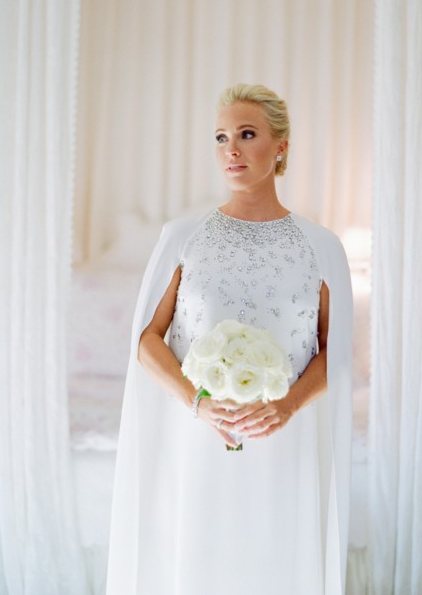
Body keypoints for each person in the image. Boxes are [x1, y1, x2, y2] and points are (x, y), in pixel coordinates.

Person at [105, 84, 353, 595]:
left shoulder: (323, 247)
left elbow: (338, 352)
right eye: (221, 137)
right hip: (199, 439)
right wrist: (197, 403)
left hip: (288, 441)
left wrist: (287, 407)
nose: (231, 149)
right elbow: (147, 340)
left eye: (246, 134)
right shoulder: (182, 237)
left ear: (280, 147)